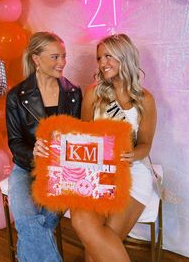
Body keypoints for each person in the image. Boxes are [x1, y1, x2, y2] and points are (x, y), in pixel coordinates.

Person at [71, 33, 157, 262]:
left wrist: (129, 154)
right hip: (98, 172)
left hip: (131, 172)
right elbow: (83, 136)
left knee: (96, 250)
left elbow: (146, 145)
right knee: (80, 219)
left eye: (109, 56)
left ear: (125, 56)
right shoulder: (94, 93)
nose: (102, 63)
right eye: (100, 58)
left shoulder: (145, 99)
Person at [6, 31, 82, 262]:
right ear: (36, 59)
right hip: (25, 168)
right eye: (55, 57)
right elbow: (15, 142)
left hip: (62, 172)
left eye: (63, 56)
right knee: (30, 219)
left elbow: (78, 136)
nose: (62, 63)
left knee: (36, 223)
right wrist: (33, 153)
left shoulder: (73, 93)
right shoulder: (16, 96)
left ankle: (25, 255)